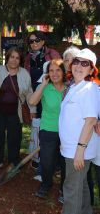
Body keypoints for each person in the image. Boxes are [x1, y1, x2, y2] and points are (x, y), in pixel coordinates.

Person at [59, 48, 99, 214]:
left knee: (71, 190)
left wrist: (80, 150)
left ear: (91, 70)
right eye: (76, 61)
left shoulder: (89, 89)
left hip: (79, 149)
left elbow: (90, 121)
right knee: (80, 186)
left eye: (85, 64)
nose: (79, 66)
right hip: (72, 148)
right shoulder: (75, 87)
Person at [0, 47, 35, 170]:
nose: (14, 60)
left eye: (17, 58)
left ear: (20, 60)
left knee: (14, 138)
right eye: (12, 57)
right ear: (7, 57)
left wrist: (33, 110)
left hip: (15, 113)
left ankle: (13, 161)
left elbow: (29, 93)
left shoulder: (24, 73)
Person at [24, 30, 61, 178]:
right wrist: (32, 106)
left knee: (53, 130)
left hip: (51, 98)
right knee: (39, 130)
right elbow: (28, 83)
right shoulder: (28, 58)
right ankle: (40, 160)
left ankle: (56, 164)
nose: (34, 43)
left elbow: (60, 74)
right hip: (36, 97)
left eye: (37, 40)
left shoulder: (52, 54)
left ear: (43, 41)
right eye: (31, 41)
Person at [28, 59, 66, 199]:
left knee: (65, 163)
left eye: (58, 70)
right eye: (51, 71)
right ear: (47, 73)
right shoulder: (45, 87)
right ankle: (46, 184)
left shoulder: (70, 88)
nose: (55, 73)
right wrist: (43, 84)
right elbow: (32, 102)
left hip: (67, 132)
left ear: (63, 72)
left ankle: (64, 188)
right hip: (48, 129)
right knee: (47, 161)